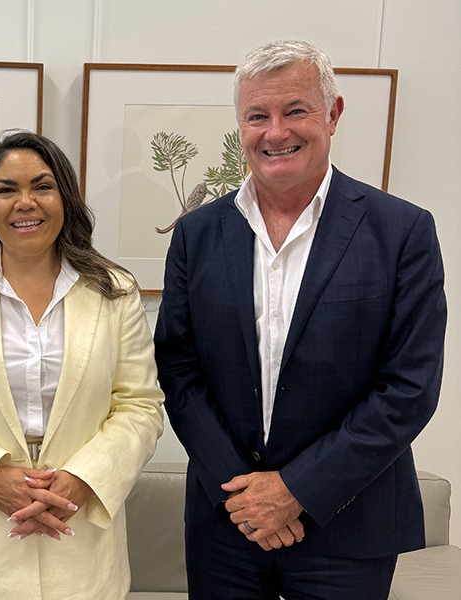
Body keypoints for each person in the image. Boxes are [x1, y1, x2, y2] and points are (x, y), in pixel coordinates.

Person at [154, 39, 447, 599]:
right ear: (241, 125)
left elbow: (409, 388)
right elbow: (178, 367)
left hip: (350, 524)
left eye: (296, 111)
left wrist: (295, 489)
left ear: (333, 115)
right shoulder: (198, 233)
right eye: (257, 116)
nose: (275, 132)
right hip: (226, 524)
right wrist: (244, 496)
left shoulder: (402, 231)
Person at [0, 131, 164, 599]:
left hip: (80, 535)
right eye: (6, 189)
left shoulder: (115, 291)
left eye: (42, 186)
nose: (25, 202)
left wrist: (83, 479)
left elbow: (141, 406)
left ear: (66, 198)